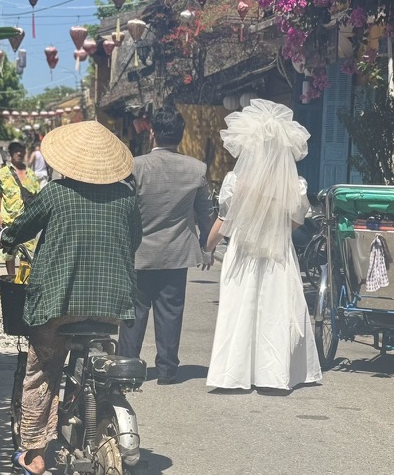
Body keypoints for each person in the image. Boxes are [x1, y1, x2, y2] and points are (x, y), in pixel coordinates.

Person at [0, 121, 141, 475]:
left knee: (42, 371)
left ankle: (37, 456)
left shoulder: (56, 193)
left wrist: (3, 239)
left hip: (58, 303)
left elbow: (21, 227)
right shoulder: (126, 198)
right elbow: (133, 242)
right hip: (111, 303)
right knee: (101, 365)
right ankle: (97, 410)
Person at [205, 99, 322, 391]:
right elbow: (295, 222)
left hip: (242, 254)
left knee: (241, 309)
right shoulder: (295, 186)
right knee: (276, 310)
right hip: (278, 253)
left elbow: (223, 223)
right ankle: (274, 373)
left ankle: (233, 373)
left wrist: (207, 247)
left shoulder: (235, 183)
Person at [118, 106, 216, 385]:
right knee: (171, 311)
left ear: (152, 134)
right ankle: (167, 370)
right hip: (176, 253)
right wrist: (206, 247)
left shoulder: (134, 166)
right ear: (181, 136)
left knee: (134, 312)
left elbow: (123, 209)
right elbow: (205, 212)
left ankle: (127, 367)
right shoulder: (196, 169)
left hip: (137, 252)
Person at [0, 142, 41, 278]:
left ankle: (22, 281)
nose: (19, 154)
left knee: (27, 253)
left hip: (28, 221)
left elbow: (38, 197)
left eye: (21, 151)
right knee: (9, 253)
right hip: (9, 221)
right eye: (16, 152)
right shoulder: (3, 173)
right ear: (11, 154)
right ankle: (11, 279)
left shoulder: (31, 174)